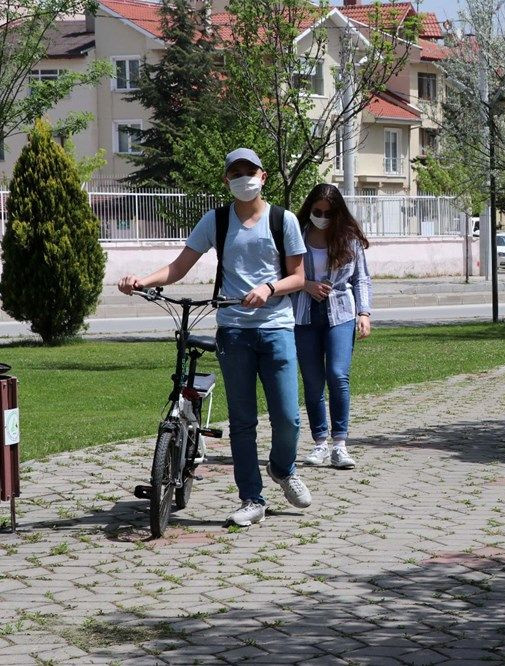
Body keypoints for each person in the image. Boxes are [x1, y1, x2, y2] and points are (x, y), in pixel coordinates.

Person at [118, 148, 312, 528]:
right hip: (234, 330)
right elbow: (179, 266)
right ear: (226, 179)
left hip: (276, 328)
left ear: (263, 176)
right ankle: (251, 499)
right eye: (235, 173)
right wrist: (142, 280)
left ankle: (283, 467)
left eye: (249, 171)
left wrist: (269, 288)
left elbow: (299, 277)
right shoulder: (217, 220)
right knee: (241, 421)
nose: (243, 178)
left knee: (287, 417)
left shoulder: (282, 219)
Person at [293, 184, 372, 470]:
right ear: (309, 208)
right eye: (317, 211)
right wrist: (307, 285)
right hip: (303, 315)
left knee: (338, 375)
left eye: (328, 213)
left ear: (337, 213)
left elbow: (361, 278)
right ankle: (320, 443)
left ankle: (340, 444)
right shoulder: (296, 235)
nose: (322, 217)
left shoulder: (347, 238)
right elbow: (284, 274)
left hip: (341, 314)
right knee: (313, 382)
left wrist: (364, 313)